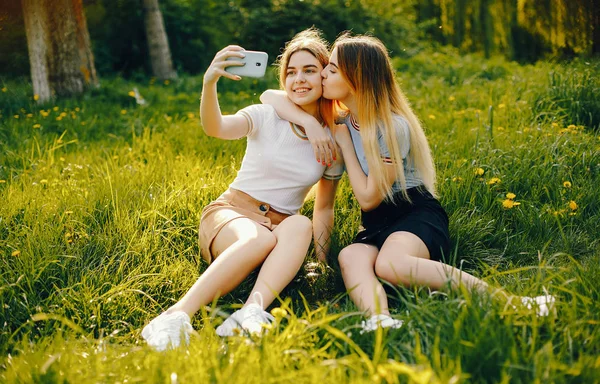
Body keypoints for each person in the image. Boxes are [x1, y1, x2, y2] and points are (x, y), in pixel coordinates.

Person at [260, 32, 555, 333]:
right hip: (376, 224)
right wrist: (312, 123)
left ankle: (512, 302)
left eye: (332, 69)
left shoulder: (391, 127)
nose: (323, 73)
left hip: (414, 213)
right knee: (350, 256)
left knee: (389, 264)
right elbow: (269, 96)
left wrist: (345, 145)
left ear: (355, 78)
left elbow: (368, 199)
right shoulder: (345, 120)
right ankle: (380, 319)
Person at [141, 28, 343, 351]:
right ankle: (174, 316)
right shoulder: (266, 115)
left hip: (280, 227)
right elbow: (216, 127)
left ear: (325, 76)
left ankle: (249, 313)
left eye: (308, 70)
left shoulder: (331, 143)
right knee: (258, 237)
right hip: (231, 214)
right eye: (290, 72)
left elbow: (324, 208)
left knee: (300, 223)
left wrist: (322, 263)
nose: (298, 79)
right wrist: (209, 84)